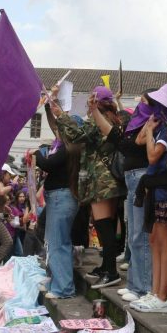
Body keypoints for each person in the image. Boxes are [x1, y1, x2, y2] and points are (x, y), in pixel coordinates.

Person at [54, 86, 126, 289]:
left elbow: (76, 135)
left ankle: (111, 272)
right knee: (106, 225)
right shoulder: (112, 117)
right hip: (108, 180)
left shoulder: (97, 119)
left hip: (101, 181)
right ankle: (106, 266)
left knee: (103, 227)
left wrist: (61, 116)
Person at [129, 84, 167, 314]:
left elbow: (152, 156)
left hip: (164, 189)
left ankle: (163, 296)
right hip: (154, 188)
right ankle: (154, 292)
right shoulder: (161, 124)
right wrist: (149, 126)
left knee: (164, 242)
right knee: (154, 241)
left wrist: (151, 131)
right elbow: (139, 140)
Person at [112, 88, 158, 303]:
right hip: (131, 178)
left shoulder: (154, 122)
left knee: (141, 235)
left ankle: (144, 287)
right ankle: (134, 283)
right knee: (133, 235)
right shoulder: (135, 123)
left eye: (145, 102)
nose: (141, 106)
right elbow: (125, 143)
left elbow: (140, 143)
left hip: (142, 177)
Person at [38, 98, 82, 299]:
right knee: (55, 242)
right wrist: (49, 107)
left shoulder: (69, 148)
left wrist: (38, 154)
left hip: (61, 197)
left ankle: (63, 288)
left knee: (58, 243)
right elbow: (55, 125)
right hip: (59, 197)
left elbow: (48, 164)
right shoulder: (68, 146)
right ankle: (57, 282)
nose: (59, 130)